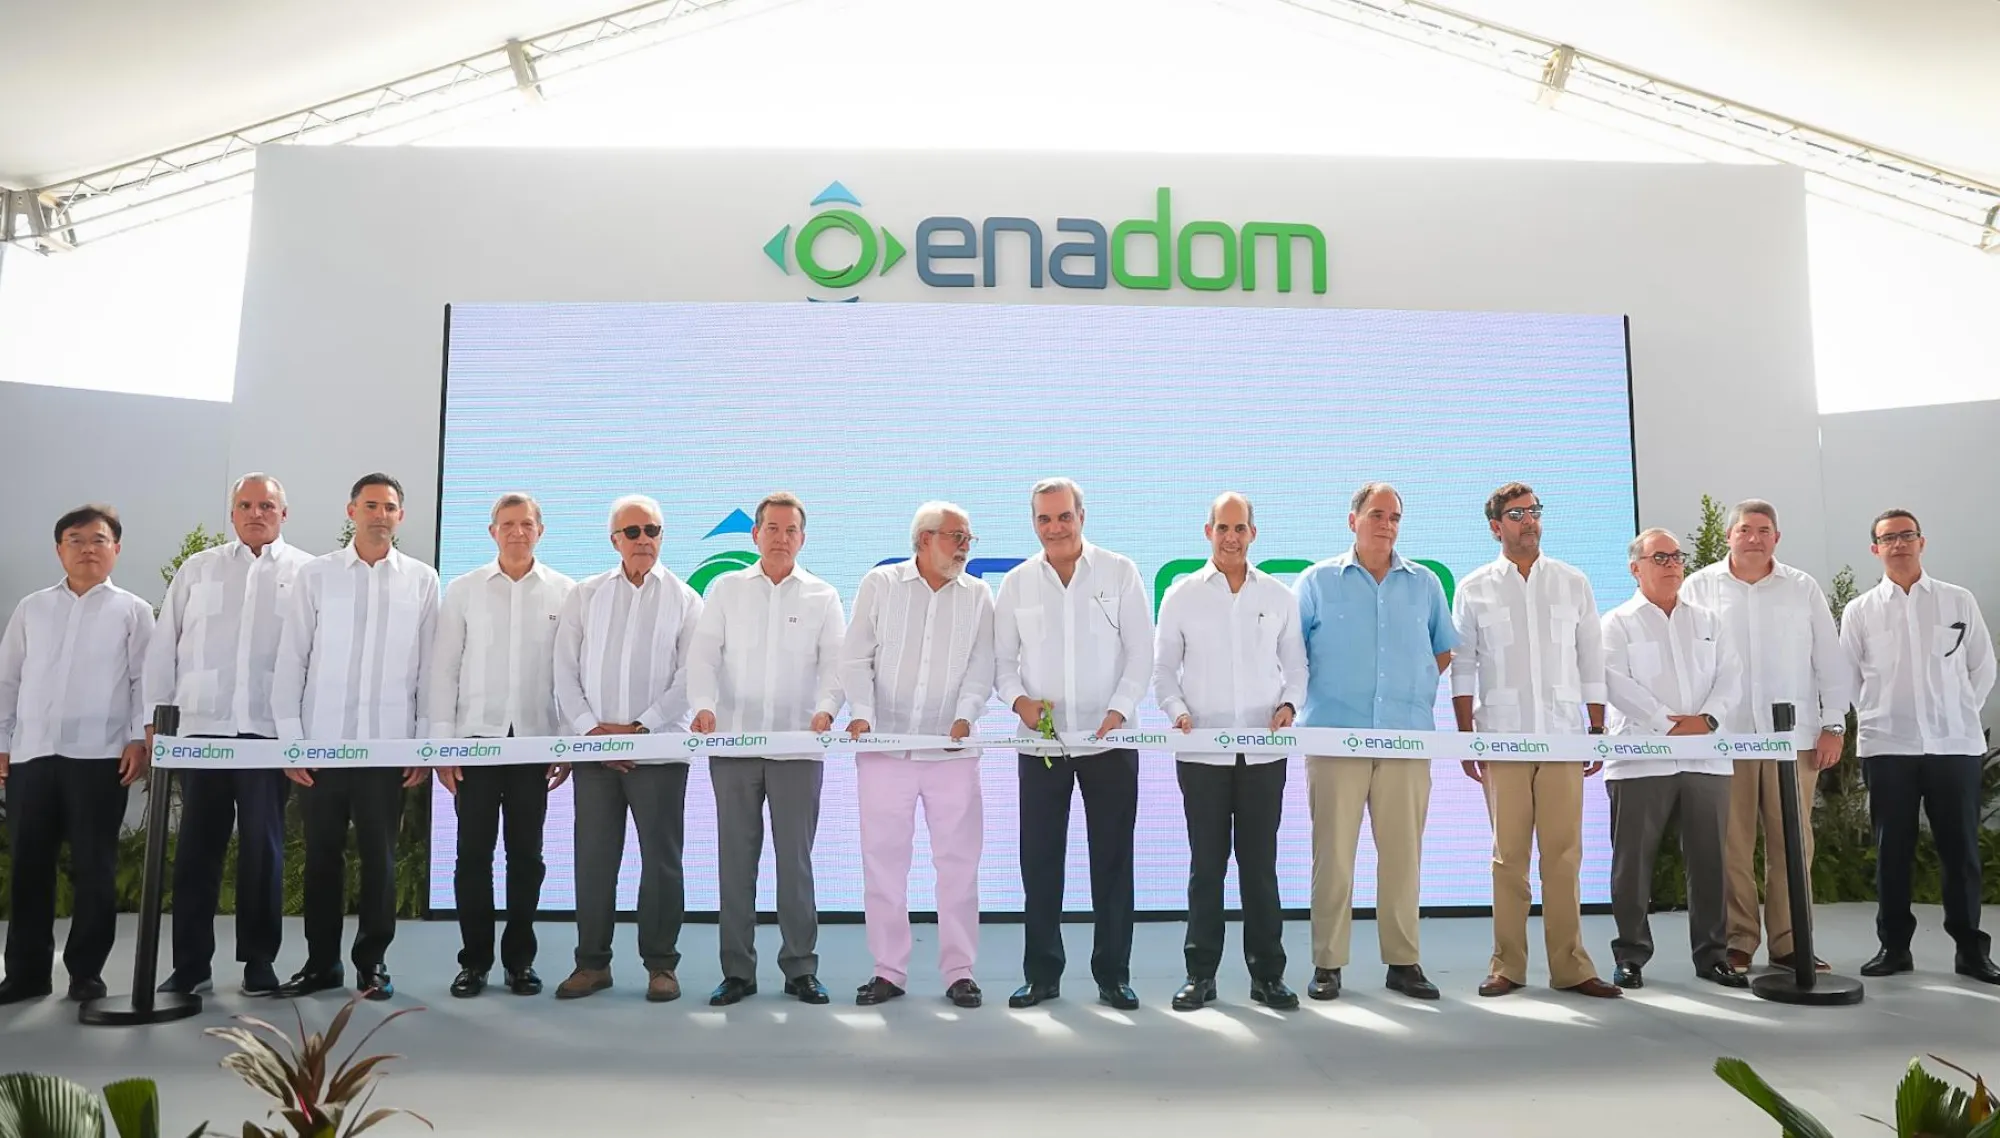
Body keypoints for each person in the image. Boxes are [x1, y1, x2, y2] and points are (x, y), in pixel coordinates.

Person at [1452, 482, 1621, 999]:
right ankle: (1507, 965)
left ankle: (1571, 966)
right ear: (1495, 526)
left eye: (1534, 511)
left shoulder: (1573, 582)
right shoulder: (1474, 587)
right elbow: (1463, 666)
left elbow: (1591, 659)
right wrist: (1465, 737)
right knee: (1508, 858)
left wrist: (1596, 730)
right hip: (1502, 739)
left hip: (1565, 736)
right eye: (1517, 513)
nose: (1529, 520)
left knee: (1564, 856)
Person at [272, 473, 437, 1001]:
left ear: (400, 516)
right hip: (321, 746)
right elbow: (292, 658)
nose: (379, 515)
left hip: (387, 747)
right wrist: (291, 741)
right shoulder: (316, 575)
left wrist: (422, 743)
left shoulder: (422, 579)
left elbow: (429, 669)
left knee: (380, 861)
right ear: (352, 511)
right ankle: (321, 963)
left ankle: (373, 964)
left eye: (389, 507)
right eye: (370, 505)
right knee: (321, 858)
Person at [147, 473, 313, 998]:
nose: (255, 513)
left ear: (284, 513)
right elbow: (164, 644)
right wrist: (154, 719)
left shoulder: (307, 572)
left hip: (267, 731)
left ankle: (259, 961)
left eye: (266, 505)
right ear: (232, 511)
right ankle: (190, 964)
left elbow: (316, 656)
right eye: (245, 505)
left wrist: (302, 734)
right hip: (202, 728)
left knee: (263, 851)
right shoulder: (198, 569)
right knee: (196, 849)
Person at [994, 477, 1153, 1010]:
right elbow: (1002, 663)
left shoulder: (1120, 572)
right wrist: (1018, 702)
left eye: (1064, 516)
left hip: (1111, 741)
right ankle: (1042, 975)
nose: (1055, 527)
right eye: (1044, 519)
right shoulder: (1016, 583)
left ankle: (1113, 975)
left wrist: (1119, 709)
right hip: (1041, 746)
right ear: (1033, 523)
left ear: (1082, 516)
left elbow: (1141, 653)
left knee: (1113, 862)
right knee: (1040, 863)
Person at [1294, 483, 1454, 1003]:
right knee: (1334, 856)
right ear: (1353, 520)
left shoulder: (1425, 583)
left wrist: (1412, 691)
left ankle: (1403, 963)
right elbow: (1293, 653)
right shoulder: (1317, 581)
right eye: (1378, 514)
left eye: (1395, 517)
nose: (1387, 525)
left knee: (1403, 856)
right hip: (1335, 738)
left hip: (1406, 739)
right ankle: (1328, 963)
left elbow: (1443, 649)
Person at [689, 492, 846, 1007]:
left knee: (795, 865)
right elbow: (704, 656)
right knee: (736, 863)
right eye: (772, 529)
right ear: (755, 535)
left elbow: (836, 665)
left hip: (798, 747)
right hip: (734, 744)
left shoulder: (823, 595)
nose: (781, 538)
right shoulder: (726, 589)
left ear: (803, 538)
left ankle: (801, 968)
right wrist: (704, 705)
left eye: (791, 530)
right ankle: (737, 971)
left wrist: (827, 709)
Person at [1682, 499, 1851, 973]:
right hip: (1725, 738)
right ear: (1729, 536)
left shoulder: (1802, 588)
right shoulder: (1699, 587)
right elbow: (1689, 662)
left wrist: (1834, 723)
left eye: (1763, 530)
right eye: (1744, 529)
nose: (1753, 538)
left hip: (1792, 741)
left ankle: (1791, 943)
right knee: (1731, 845)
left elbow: (1829, 659)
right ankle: (1738, 940)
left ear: (1776, 537)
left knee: (1792, 843)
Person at [840, 501, 994, 1008]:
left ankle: (960, 971)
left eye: (968, 537)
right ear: (924, 540)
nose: (965, 546)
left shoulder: (979, 594)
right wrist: (863, 713)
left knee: (959, 866)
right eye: (956, 536)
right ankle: (888, 970)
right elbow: (855, 656)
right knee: (883, 866)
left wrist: (966, 716)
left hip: (953, 753)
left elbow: (982, 666)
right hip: (885, 750)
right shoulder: (880, 584)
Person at [1156, 492, 1307, 1011]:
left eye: (1240, 528)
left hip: (1264, 754)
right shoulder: (1181, 596)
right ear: (1208, 532)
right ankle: (1200, 975)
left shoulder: (1279, 596)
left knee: (1260, 867)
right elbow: (1162, 670)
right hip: (1201, 755)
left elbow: (1297, 667)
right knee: (1207, 867)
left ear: (1253, 534)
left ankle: (1268, 976)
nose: (1231, 537)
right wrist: (1177, 711)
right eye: (1223, 527)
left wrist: (1289, 704)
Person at [0, 504, 153, 1005]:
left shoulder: (133, 610)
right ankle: (26, 974)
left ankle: (86, 972)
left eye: (98, 540)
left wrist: (137, 739)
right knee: (29, 867)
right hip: (32, 755)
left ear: (116, 549)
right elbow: (8, 680)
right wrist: (3, 743)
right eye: (76, 540)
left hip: (100, 756)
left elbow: (144, 682)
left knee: (95, 867)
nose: (88, 549)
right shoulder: (32, 608)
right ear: (59, 549)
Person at [552, 494, 702, 1003]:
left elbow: (691, 677)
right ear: (614, 540)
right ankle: (592, 964)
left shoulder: (686, 600)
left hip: (657, 754)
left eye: (652, 530)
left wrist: (641, 728)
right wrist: (591, 733)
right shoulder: (585, 594)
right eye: (633, 532)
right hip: (594, 755)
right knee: (594, 861)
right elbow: (564, 670)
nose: (644, 540)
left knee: (662, 863)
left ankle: (661, 966)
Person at [1841, 510, 2000, 983]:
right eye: (1888, 538)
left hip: (1954, 744)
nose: (1899, 544)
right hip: (1889, 746)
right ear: (1875, 549)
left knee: (1960, 850)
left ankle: (1970, 951)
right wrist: (1878, 714)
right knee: (1892, 850)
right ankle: (1894, 948)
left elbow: (1983, 666)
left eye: (1907, 535)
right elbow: (1848, 677)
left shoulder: (1956, 600)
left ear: (1921, 542)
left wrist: (1957, 711)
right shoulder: (1861, 610)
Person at [430, 492, 576, 998]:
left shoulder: (565, 592)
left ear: (540, 531)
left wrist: (566, 745)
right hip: (474, 742)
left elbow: (570, 674)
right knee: (472, 856)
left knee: (527, 857)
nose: (517, 532)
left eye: (526, 524)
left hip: (534, 743)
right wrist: (441, 747)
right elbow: (444, 670)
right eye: (508, 524)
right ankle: (473, 962)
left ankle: (520, 962)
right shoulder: (464, 590)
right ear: (492, 531)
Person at [1599, 528, 1748, 990]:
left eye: (1676, 557)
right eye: (1659, 557)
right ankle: (1630, 956)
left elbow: (1731, 676)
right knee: (1632, 864)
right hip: (1640, 758)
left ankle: (1713, 955)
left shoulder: (1709, 620)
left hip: (1705, 756)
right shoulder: (1616, 622)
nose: (1671, 565)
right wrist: (1666, 725)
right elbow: (1613, 681)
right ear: (1635, 568)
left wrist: (1708, 719)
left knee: (1710, 862)